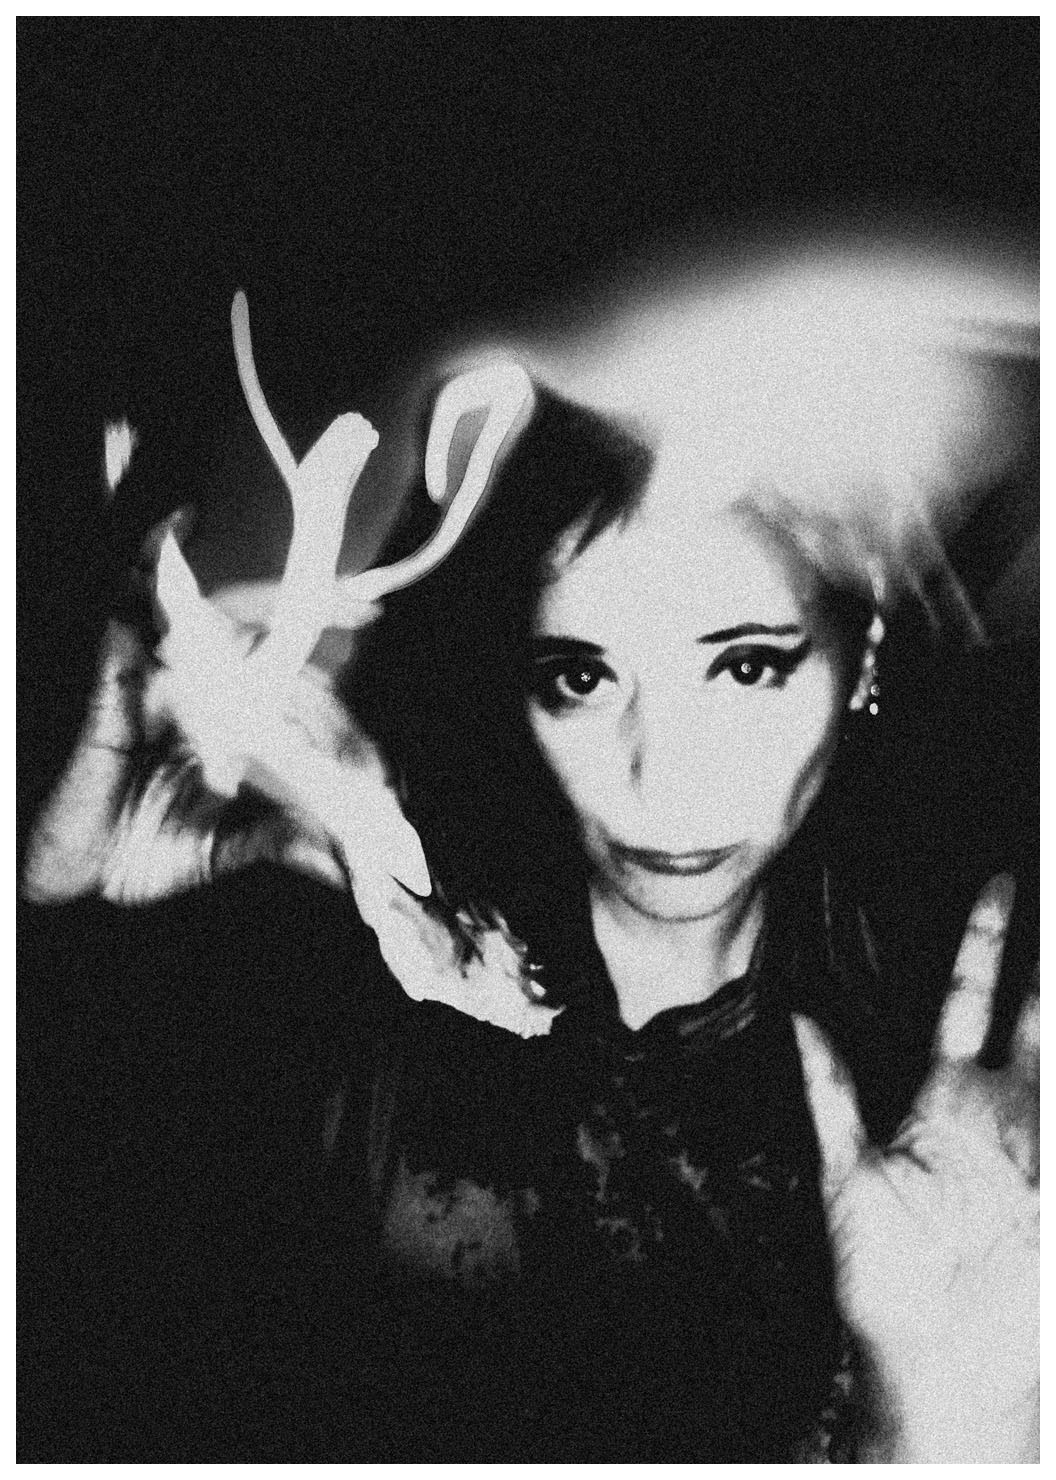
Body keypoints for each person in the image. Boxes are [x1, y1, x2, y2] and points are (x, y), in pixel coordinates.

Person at [22, 269, 1039, 1462]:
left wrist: (947, 1424)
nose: (664, 780)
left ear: (859, 656)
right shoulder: (357, 978)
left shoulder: (976, 1067)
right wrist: (61, 931)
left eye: (746, 666)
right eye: (582, 676)